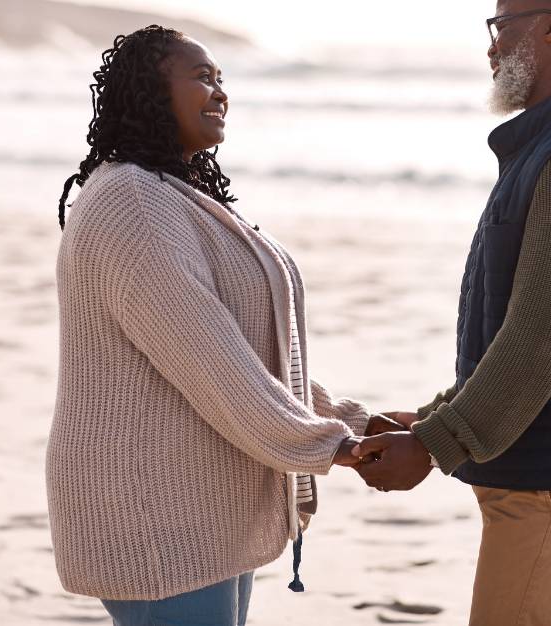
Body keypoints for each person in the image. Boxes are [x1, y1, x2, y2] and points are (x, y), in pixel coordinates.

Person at [46, 25, 381, 626]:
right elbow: (215, 366)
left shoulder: (175, 197)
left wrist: (354, 420)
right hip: (155, 520)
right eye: (202, 77)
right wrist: (342, 448)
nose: (220, 92)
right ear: (149, 91)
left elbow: (247, 352)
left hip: (204, 510)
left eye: (222, 80)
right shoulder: (130, 203)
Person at [352, 1, 551, 624]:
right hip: (547, 464)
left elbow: (539, 340)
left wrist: (434, 443)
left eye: (501, 26)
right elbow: (525, 329)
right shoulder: (550, 145)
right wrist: (431, 417)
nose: (492, 47)